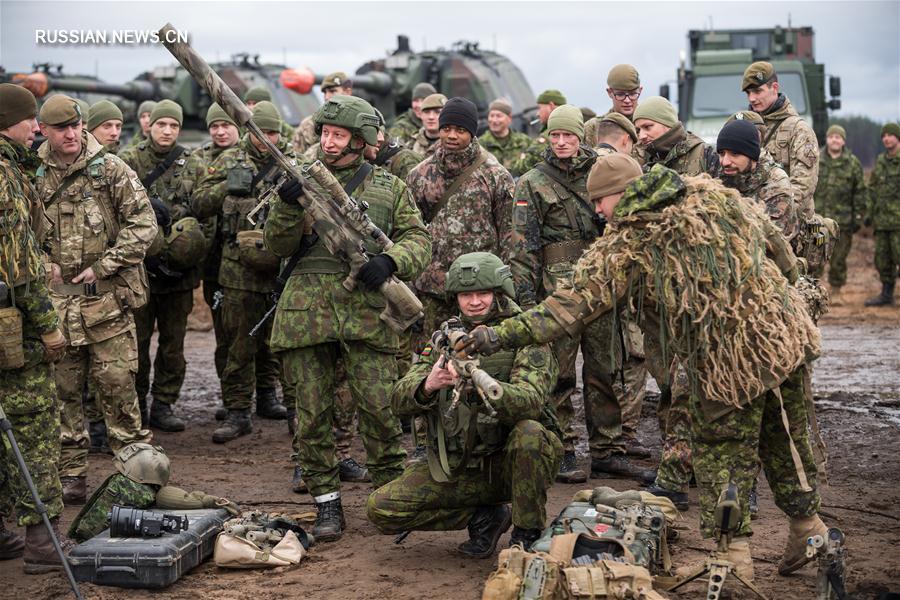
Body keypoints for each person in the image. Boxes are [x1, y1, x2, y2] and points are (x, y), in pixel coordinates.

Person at [459, 154, 834, 583]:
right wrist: (786, 293)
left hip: (724, 364)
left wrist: (497, 335)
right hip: (780, 336)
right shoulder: (709, 194)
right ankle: (808, 528)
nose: (597, 210)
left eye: (601, 200)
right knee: (784, 436)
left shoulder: (628, 244)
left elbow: (564, 310)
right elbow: (776, 245)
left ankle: (734, 557)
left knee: (720, 453)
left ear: (622, 193)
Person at [264, 95, 431, 542]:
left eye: (338, 135)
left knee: (380, 410)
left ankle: (391, 498)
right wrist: (285, 205)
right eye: (325, 133)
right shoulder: (296, 179)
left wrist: (392, 262)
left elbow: (419, 238)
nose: (329, 142)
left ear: (360, 141)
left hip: (366, 312)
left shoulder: (387, 187)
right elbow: (276, 247)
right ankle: (326, 504)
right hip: (306, 315)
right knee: (311, 413)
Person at [367, 252, 561, 555]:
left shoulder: (523, 333)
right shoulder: (448, 335)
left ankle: (527, 531)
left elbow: (531, 402)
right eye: (465, 295)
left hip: (513, 464)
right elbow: (397, 399)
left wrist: (478, 386)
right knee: (382, 509)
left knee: (530, 434)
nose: (474, 302)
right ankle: (485, 517)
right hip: (461, 465)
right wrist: (428, 385)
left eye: (482, 293)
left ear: (499, 292)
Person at [35, 94, 156, 505]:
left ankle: (135, 472)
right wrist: (40, 263)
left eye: (75, 125)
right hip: (57, 308)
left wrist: (104, 265)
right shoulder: (33, 174)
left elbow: (144, 225)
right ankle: (72, 474)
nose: (70, 134)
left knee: (119, 389)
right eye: (61, 128)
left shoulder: (111, 170)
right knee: (63, 394)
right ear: (44, 131)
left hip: (106, 304)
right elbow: (16, 232)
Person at [192, 101, 292, 444]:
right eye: (261, 132)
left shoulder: (294, 165)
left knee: (274, 343)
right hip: (238, 271)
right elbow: (198, 202)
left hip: (280, 268)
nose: (267, 139)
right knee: (239, 343)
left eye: (274, 132)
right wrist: (227, 189)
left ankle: (268, 397)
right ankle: (237, 411)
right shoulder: (229, 160)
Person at [0, 83, 69, 574]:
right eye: (30, 120)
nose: (36, 129)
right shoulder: (5, 175)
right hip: (13, 324)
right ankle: (42, 544)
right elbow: (18, 268)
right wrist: (49, 327)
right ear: (10, 121)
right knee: (33, 426)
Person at [120, 100, 204, 432]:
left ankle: (164, 405)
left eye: (173, 125)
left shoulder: (193, 163)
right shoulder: (129, 161)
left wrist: (190, 254)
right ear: (149, 126)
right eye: (161, 124)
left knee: (173, 345)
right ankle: (137, 404)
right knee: (136, 344)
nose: (167, 131)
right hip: (140, 272)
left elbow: (203, 217)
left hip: (179, 275)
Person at [406, 96, 514, 348]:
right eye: (446, 128)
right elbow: (409, 231)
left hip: (480, 290)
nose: (452, 135)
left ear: (472, 133)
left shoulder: (495, 175)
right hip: (434, 289)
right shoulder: (420, 175)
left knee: (482, 359)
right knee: (434, 358)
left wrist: (507, 285)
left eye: (460, 130)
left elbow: (510, 235)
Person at [193, 103, 242, 394]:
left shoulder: (252, 158)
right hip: (214, 261)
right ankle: (229, 396)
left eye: (226, 125)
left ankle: (264, 395)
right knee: (223, 333)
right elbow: (197, 203)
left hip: (249, 259)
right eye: (215, 126)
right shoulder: (199, 160)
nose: (220, 132)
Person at [743, 61, 819, 221]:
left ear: (774, 88)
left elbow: (803, 185)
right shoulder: (743, 126)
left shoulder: (799, 129)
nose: (752, 98)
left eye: (757, 91)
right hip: (754, 222)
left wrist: (776, 217)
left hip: (792, 225)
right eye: (748, 93)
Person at [814, 125, 865, 306]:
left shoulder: (852, 163)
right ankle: (812, 293)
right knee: (815, 257)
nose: (835, 140)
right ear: (826, 139)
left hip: (842, 222)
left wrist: (859, 216)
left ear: (843, 141)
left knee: (839, 258)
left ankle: (836, 292)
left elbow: (859, 191)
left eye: (838, 137)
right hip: (817, 222)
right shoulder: (816, 159)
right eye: (832, 136)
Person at [633, 96, 719, 175]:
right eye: (638, 130)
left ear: (667, 123)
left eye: (647, 127)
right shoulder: (642, 161)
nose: (642, 136)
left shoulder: (707, 155)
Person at [864, 122, 900, 306]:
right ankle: (886, 295)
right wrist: (869, 213)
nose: (886, 138)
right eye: (883, 136)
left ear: (897, 137)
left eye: (890, 135)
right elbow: (872, 188)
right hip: (883, 221)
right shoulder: (881, 161)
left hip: (898, 222)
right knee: (883, 260)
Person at [293, 72, 354, 156]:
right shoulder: (309, 124)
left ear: (347, 92)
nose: (326, 97)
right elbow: (296, 158)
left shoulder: (361, 121)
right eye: (325, 92)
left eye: (332, 91)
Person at [584, 64, 642, 147]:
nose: (627, 100)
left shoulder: (649, 126)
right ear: (609, 93)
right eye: (620, 94)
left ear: (640, 90)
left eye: (632, 94)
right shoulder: (593, 127)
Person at [512, 89, 566, 175]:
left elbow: (521, 167)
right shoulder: (574, 128)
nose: (537, 114)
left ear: (551, 106)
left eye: (539, 108)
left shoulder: (548, 135)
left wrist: (523, 156)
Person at [479, 98, 531, 177]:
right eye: (492, 115)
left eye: (498, 116)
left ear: (509, 118)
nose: (494, 120)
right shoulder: (480, 145)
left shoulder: (525, 142)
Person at [388, 81, 437, 149]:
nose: (419, 105)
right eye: (416, 101)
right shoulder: (402, 126)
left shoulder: (440, 122)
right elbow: (393, 150)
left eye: (424, 100)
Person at [411, 93, 447, 157]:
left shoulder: (453, 144)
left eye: (437, 112)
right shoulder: (411, 145)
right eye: (427, 112)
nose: (431, 117)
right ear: (421, 115)